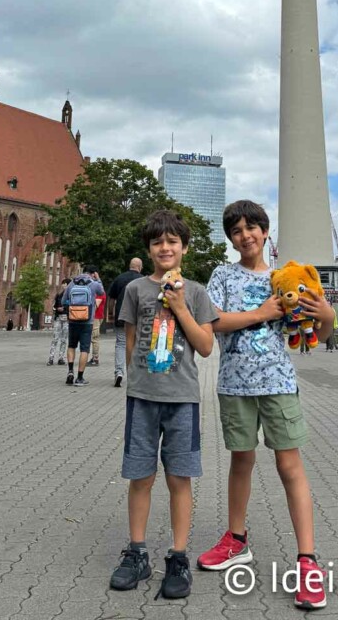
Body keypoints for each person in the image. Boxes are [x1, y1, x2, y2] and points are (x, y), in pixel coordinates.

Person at [198, 200, 333, 611]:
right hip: (235, 385)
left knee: (290, 465)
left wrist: (326, 313)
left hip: (278, 382)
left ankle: (308, 561)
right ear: (231, 238)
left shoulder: (284, 277)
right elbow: (214, 321)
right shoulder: (222, 274)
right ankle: (236, 539)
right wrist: (260, 312)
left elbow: (320, 333)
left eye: (252, 227)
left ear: (266, 231)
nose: (246, 235)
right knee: (241, 461)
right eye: (237, 230)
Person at [110, 210, 217, 600]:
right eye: (158, 242)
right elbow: (130, 340)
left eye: (173, 241)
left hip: (182, 398)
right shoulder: (136, 289)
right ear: (149, 249)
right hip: (142, 398)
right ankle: (137, 551)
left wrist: (181, 306)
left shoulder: (198, 292)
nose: (165, 247)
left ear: (184, 248)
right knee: (140, 476)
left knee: (179, 477)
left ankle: (178, 556)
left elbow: (205, 347)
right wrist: (133, 383)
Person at [62, 266, 105, 386]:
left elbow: (63, 300)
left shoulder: (72, 283)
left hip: (73, 320)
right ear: (93, 273)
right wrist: (98, 279)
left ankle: (70, 371)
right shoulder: (93, 283)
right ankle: (79, 377)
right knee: (84, 349)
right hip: (87, 321)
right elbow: (102, 292)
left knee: (71, 346)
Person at [108, 257, 143, 388]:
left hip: (121, 316)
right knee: (136, 345)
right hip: (137, 319)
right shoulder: (143, 280)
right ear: (140, 267)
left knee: (121, 344)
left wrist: (111, 313)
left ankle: (119, 372)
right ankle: (133, 374)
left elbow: (111, 298)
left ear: (130, 265)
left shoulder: (119, 278)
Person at [47, 278, 69, 366]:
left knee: (64, 339)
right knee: (55, 338)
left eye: (65, 284)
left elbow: (72, 308)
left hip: (67, 319)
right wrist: (56, 309)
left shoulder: (71, 296)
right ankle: (51, 358)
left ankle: (61, 358)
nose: (63, 286)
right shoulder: (58, 296)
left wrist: (65, 309)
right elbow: (53, 307)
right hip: (58, 318)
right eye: (63, 284)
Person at [88, 288, 107, 367]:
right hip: (96, 317)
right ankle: (94, 357)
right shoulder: (98, 292)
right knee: (93, 337)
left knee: (94, 337)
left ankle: (95, 358)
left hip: (96, 317)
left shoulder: (100, 292)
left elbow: (96, 305)